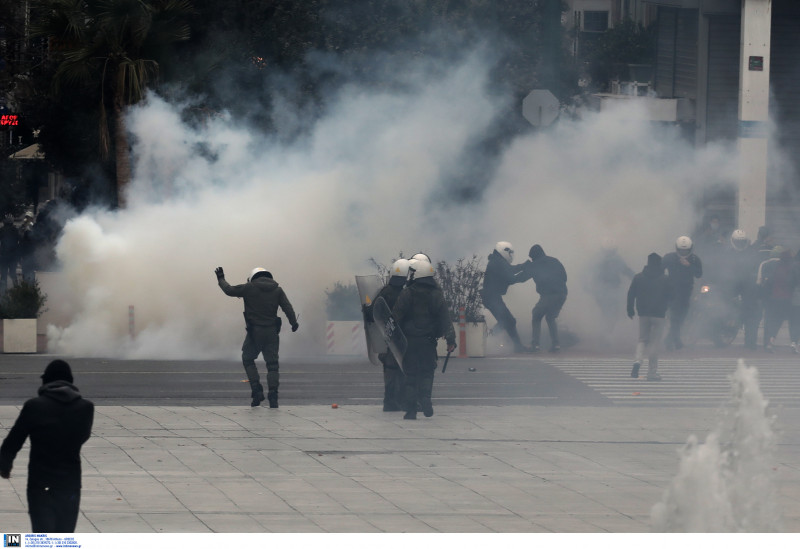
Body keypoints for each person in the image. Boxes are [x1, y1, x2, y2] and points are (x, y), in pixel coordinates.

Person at [0, 360, 94, 533]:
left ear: (47, 381)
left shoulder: (34, 406)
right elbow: (83, 436)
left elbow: (14, 440)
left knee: (42, 535)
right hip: (70, 484)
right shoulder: (86, 408)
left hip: (40, 483)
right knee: (64, 536)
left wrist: (4, 465)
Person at [215, 266, 299, 408]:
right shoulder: (277, 290)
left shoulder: (249, 288)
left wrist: (221, 279)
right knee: (272, 365)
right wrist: (294, 323)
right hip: (272, 332)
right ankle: (273, 397)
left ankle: (257, 391)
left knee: (248, 359)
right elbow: (287, 307)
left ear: (254, 276)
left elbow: (229, 290)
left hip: (255, 332)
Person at [392, 259, 456, 420]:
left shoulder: (407, 293)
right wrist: (451, 340)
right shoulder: (436, 294)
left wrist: (391, 337)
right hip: (428, 342)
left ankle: (411, 410)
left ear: (417, 274)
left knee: (410, 375)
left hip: (409, 342)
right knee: (427, 373)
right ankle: (425, 398)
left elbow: (396, 316)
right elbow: (445, 318)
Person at [364, 258, 410, 411]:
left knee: (390, 372)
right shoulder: (405, 294)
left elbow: (373, 313)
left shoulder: (385, 292)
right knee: (402, 371)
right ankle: (400, 401)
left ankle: (390, 402)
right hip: (401, 339)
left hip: (387, 339)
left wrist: (366, 308)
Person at [627, 253, 672, 381]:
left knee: (642, 339)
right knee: (655, 343)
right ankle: (652, 372)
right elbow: (672, 296)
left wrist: (630, 309)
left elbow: (631, 294)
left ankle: (637, 361)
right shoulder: (665, 279)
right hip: (659, 315)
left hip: (643, 313)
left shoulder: (638, 277)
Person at [515, 244, 568, 352]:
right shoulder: (555, 261)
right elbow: (564, 277)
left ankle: (535, 345)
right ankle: (556, 344)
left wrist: (508, 279)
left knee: (536, 314)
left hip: (549, 295)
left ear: (533, 256)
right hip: (562, 294)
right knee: (550, 317)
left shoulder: (535, 264)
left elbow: (522, 278)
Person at [480, 241, 528, 353]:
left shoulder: (497, 261)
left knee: (507, 321)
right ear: (504, 251)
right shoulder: (498, 262)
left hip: (491, 296)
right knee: (508, 321)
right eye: (510, 252)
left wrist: (523, 266)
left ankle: (488, 338)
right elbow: (511, 278)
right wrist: (527, 273)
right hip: (491, 297)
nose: (511, 255)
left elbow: (509, 270)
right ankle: (487, 338)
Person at [719, 229, 760, 350]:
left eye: (742, 241)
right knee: (722, 310)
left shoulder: (751, 253)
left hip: (748, 290)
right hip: (731, 288)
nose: (740, 244)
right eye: (738, 241)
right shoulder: (726, 254)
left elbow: (756, 270)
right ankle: (721, 334)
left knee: (751, 316)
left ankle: (750, 343)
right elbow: (721, 270)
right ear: (732, 241)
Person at [662, 236, 702, 350]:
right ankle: (674, 340)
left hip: (686, 291)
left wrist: (689, 266)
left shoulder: (694, 259)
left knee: (682, 316)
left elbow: (699, 274)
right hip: (671, 291)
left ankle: (672, 339)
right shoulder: (669, 257)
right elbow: (659, 269)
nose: (683, 252)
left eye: (686, 250)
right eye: (681, 250)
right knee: (675, 315)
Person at [589, 240, 634, 331]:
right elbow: (626, 271)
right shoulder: (609, 259)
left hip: (609, 290)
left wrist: (637, 277)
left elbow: (626, 270)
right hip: (604, 290)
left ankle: (606, 331)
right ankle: (607, 331)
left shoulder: (613, 259)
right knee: (609, 312)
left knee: (609, 312)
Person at [758, 246, 796, 352]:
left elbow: (766, 281)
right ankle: (794, 343)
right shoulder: (792, 267)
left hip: (774, 298)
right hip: (788, 299)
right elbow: (793, 282)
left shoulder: (775, 267)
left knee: (774, 321)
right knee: (794, 322)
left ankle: (770, 341)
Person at [0, 214, 20, 291]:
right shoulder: (15, 230)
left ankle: (2, 291)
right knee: (13, 273)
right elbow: (19, 241)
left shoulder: (2, 230)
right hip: (13, 256)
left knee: (4, 274)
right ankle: (17, 289)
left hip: (4, 256)